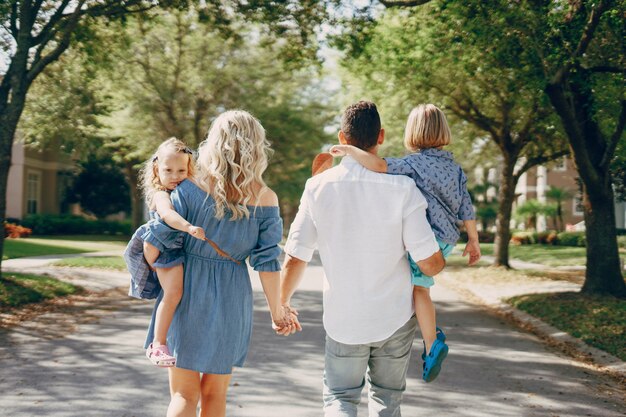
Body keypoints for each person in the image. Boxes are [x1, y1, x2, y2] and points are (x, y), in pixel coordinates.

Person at [281, 101, 445, 417]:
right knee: (387, 400)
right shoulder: (403, 187)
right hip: (394, 319)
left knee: (340, 400)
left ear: (342, 138)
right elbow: (429, 263)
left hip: (344, 320)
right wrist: (445, 251)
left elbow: (295, 257)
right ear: (380, 136)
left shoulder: (317, 187)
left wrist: (282, 305)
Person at [142, 110, 297, 417]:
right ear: (257, 146)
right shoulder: (266, 199)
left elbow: (156, 239)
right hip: (232, 298)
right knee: (215, 395)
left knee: (184, 395)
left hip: (187, 291)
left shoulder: (187, 186)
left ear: (213, 142)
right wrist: (278, 312)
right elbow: (267, 263)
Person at [330, 103, 481, 382]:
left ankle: (431, 343)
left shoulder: (412, 164)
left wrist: (350, 150)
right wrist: (473, 240)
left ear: (412, 133)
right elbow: (466, 207)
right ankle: (429, 334)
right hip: (448, 238)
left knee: (419, 291)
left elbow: (378, 165)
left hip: (427, 238)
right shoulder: (455, 168)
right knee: (421, 287)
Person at [124, 137, 207, 367]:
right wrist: (189, 227)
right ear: (156, 170)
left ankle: (162, 340)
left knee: (173, 295)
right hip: (165, 248)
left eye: (181, 170)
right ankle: (157, 344)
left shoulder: (184, 190)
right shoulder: (161, 194)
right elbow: (168, 215)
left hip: (171, 248)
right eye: (168, 170)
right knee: (173, 294)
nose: (175, 175)